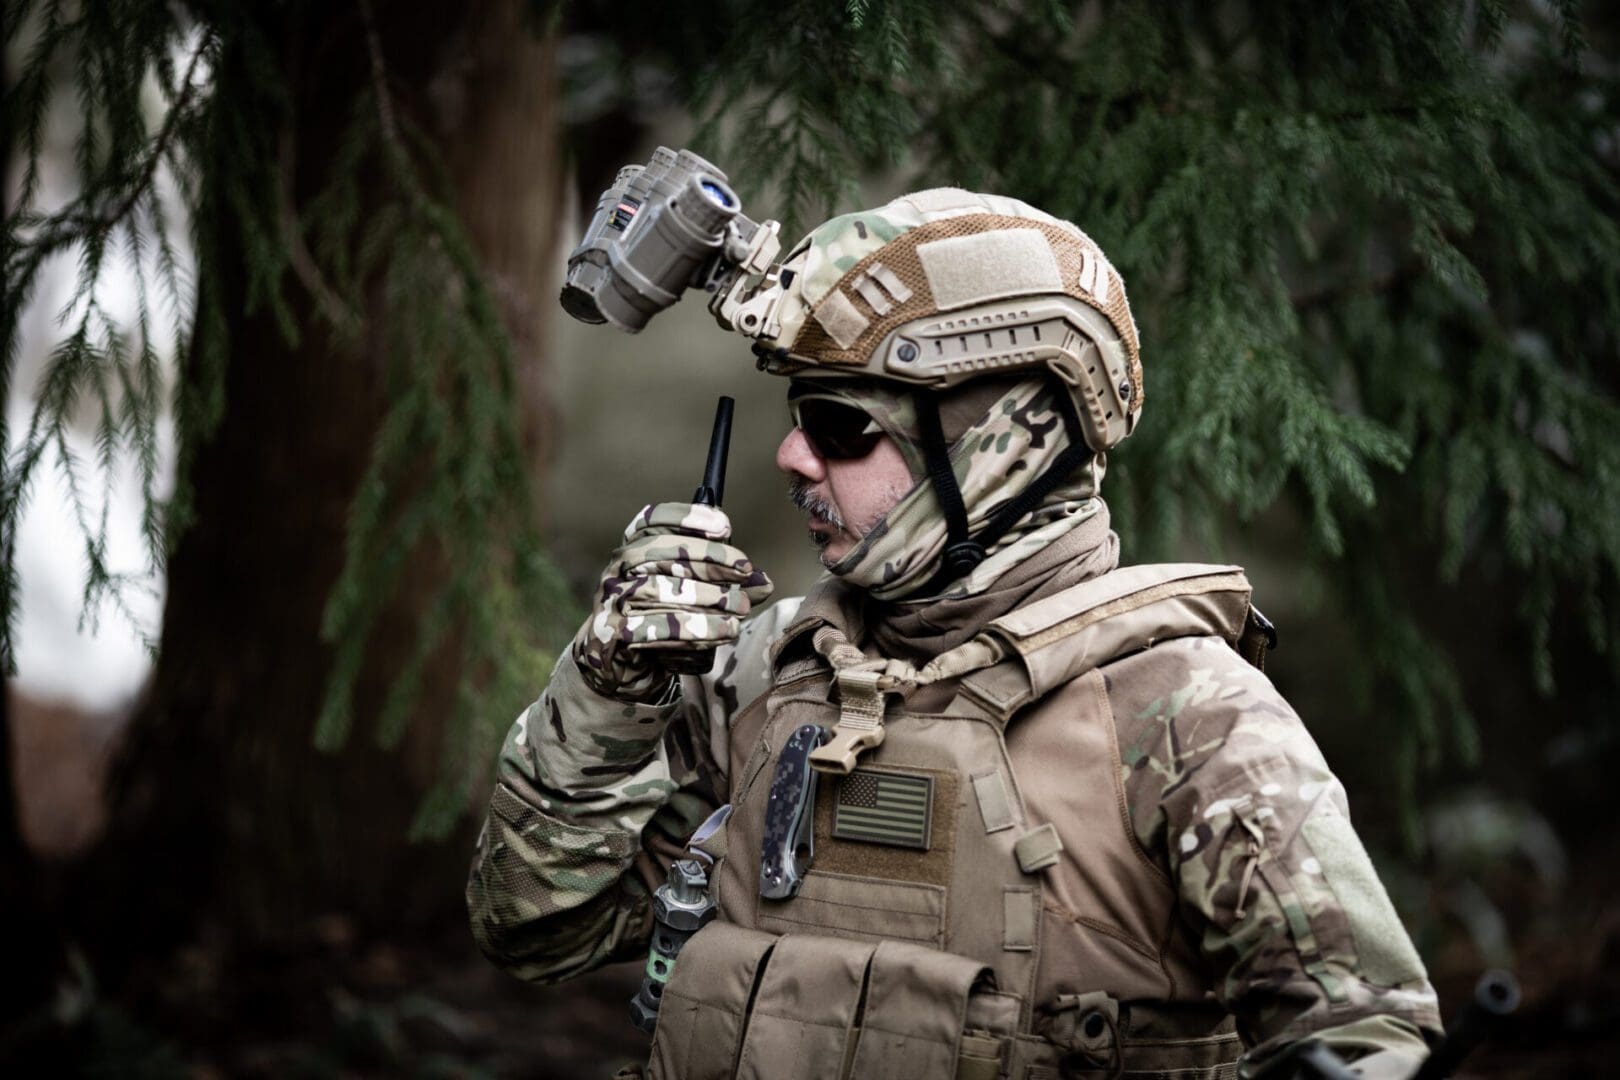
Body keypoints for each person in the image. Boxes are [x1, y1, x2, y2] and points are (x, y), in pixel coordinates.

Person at [467, 189, 1442, 1078]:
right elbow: (536, 934)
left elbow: (1364, 1040)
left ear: (1005, 449)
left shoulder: (1186, 714)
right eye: (799, 414)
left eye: (844, 427)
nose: (793, 455)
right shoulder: (766, 668)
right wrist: (605, 690)